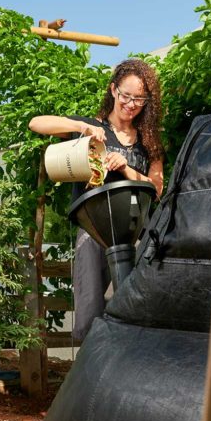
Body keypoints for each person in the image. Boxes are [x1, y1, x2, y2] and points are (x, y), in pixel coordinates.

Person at [28, 58, 166, 341]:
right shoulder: (92, 129)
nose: (131, 104)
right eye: (126, 96)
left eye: (139, 98)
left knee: (134, 307)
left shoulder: (149, 141)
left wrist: (125, 168)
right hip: (93, 231)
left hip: (136, 233)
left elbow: (157, 188)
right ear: (113, 90)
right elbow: (36, 123)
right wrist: (82, 127)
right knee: (90, 307)